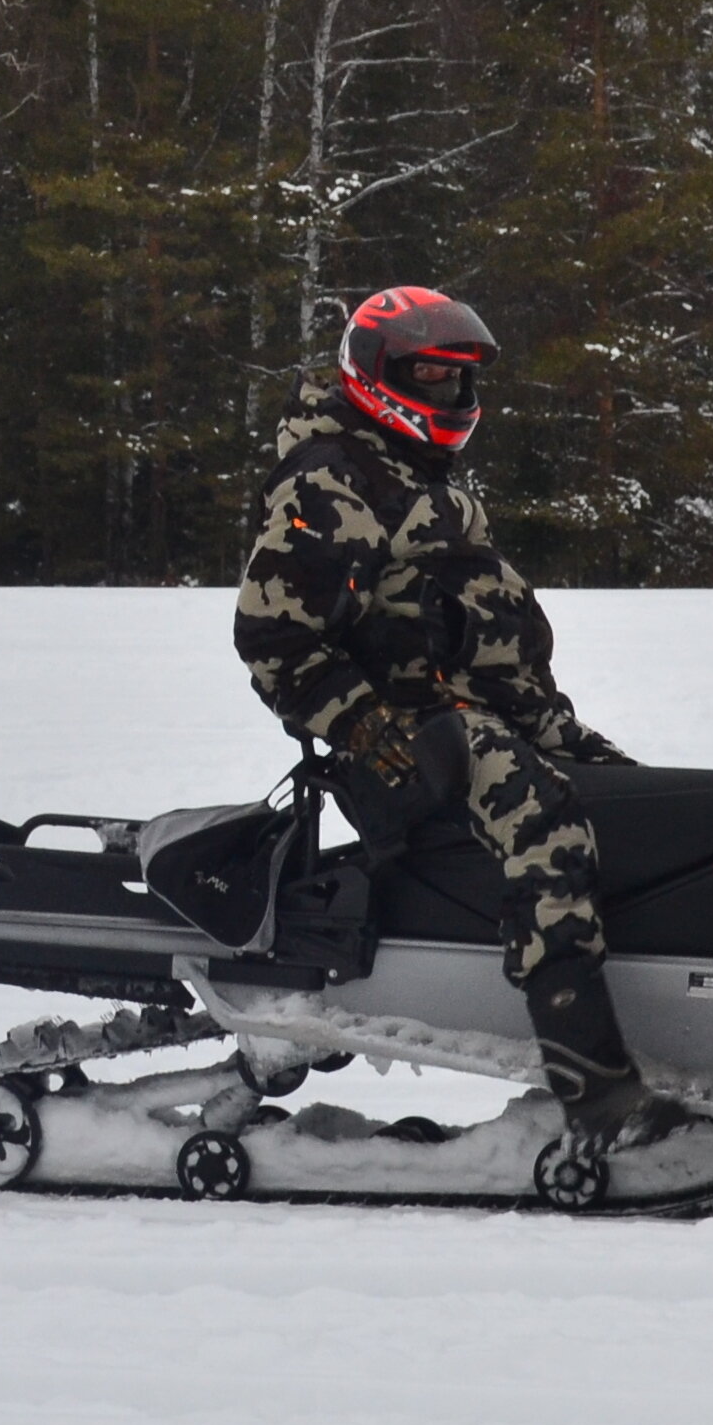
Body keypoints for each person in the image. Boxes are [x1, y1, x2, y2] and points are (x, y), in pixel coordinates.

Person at [231, 286, 664, 1141]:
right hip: (414, 733)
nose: (453, 402)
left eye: (463, 384)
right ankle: (594, 1084)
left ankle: (690, 1033)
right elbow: (275, 639)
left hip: (501, 713)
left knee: (658, 812)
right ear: (378, 377)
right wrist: (373, 729)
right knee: (550, 826)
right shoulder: (333, 475)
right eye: (432, 380)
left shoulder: (411, 473)